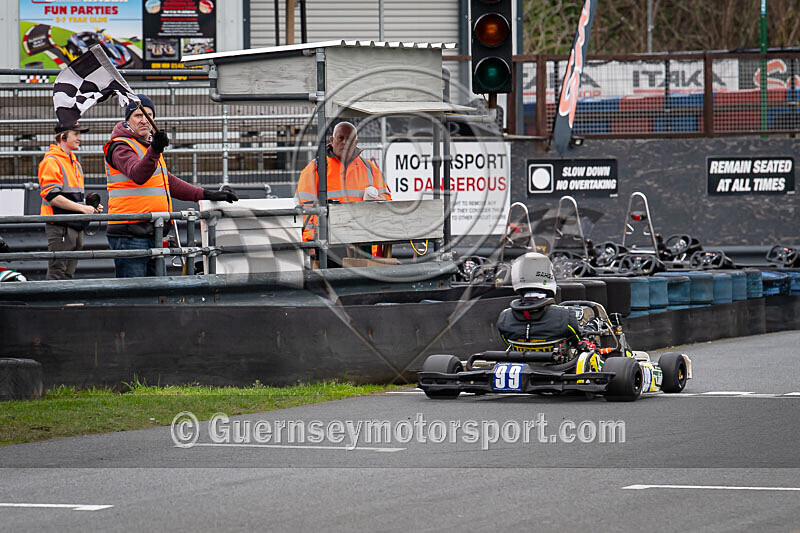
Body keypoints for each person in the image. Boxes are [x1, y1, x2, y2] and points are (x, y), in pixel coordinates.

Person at [104, 94, 238, 278]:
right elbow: (138, 174)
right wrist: (155, 150)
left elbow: (169, 183)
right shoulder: (120, 146)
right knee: (134, 296)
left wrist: (209, 194)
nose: (144, 120)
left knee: (155, 292)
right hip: (130, 232)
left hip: (152, 230)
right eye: (138, 115)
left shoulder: (146, 147)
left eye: (149, 115)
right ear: (127, 120)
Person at [294, 121, 392, 249]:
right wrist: (310, 243)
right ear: (332, 140)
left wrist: (374, 202)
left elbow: (387, 201)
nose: (345, 142)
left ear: (356, 143)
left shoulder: (370, 169)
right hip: (328, 248)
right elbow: (305, 209)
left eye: (350, 139)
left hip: (365, 246)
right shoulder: (314, 169)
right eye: (341, 138)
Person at [38, 121, 103, 280]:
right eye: (76, 134)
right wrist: (82, 209)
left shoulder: (74, 162)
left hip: (73, 225)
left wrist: (89, 206)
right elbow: (52, 196)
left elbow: (71, 197)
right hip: (60, 226)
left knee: (67, 273)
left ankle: (64, 304)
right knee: (57, 272)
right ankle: (54, 305)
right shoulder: (52, 161)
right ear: (63, 137)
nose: (79, 138)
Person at [497, 252, 587, 351]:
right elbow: (578, 343)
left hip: (522, 362)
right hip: (557, 365)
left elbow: (508, 343)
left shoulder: (505, 317)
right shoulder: (565, 315)